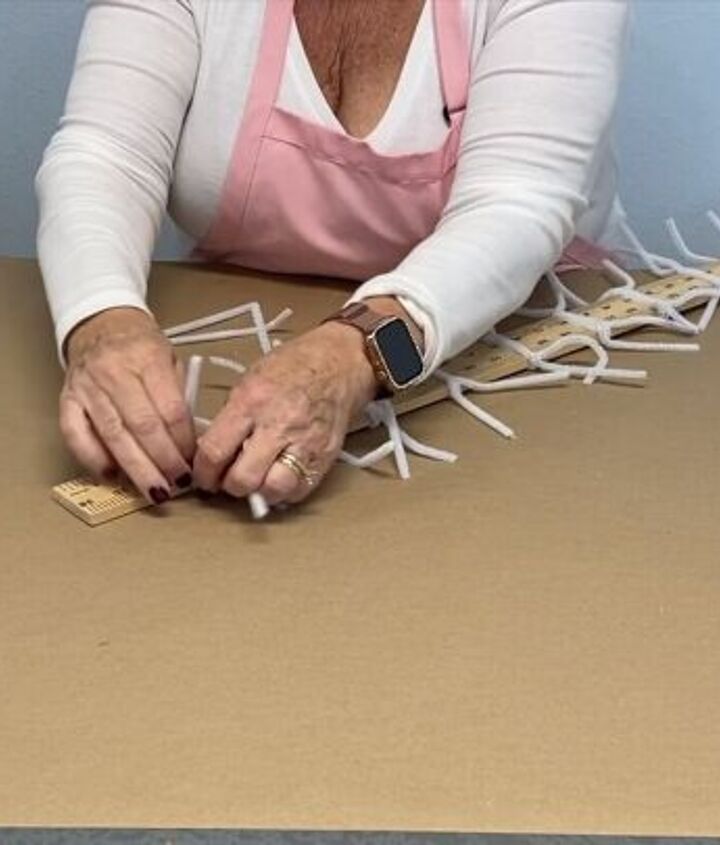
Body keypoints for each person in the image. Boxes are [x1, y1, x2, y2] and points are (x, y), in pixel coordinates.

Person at [36, 0, 629, 509]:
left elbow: (517, 205)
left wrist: (359, 355)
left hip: (525, 351)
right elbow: (105, 153)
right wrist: (101, 319)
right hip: (235, 336)